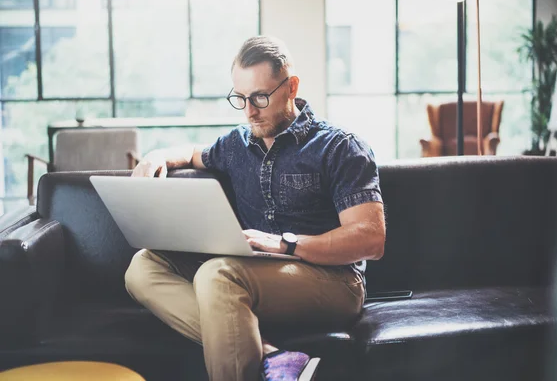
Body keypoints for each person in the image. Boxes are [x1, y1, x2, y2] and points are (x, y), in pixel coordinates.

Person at [124, 35, 385, 381]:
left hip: (335, 280)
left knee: (218, 276)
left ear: (291, 87)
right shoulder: (237, 144)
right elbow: (191, 153)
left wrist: (287, 244)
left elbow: (371, 239)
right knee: (143, 266)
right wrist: (157, 156)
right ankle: (272, 354)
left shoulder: (339, 147)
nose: (250, 111)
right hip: (255, 272)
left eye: (260, 97)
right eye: (240, 98)